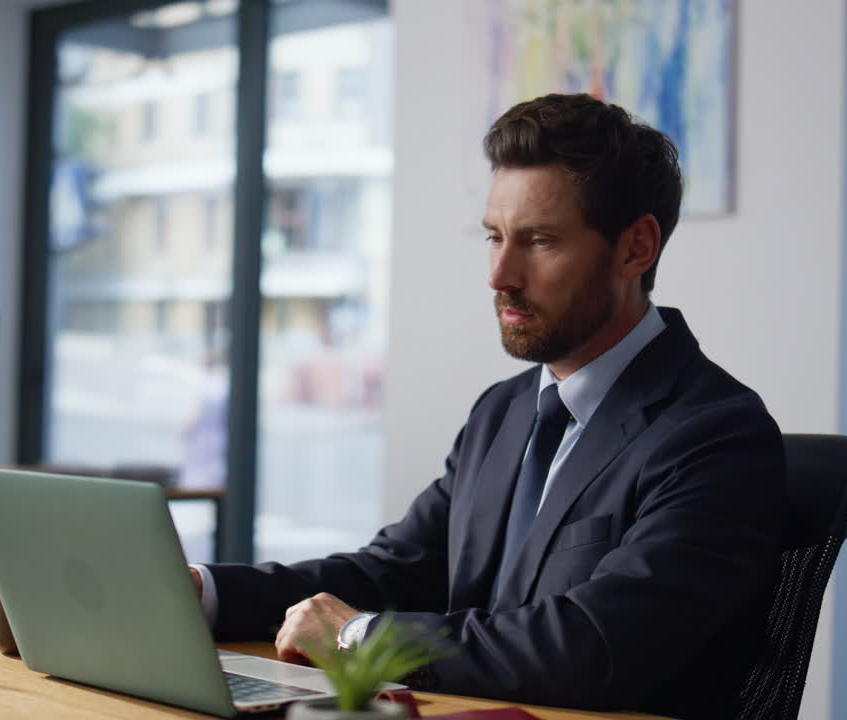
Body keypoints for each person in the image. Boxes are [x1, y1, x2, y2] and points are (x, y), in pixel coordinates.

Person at [189, 94, 784, 720]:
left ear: (636, 248)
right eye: (494, 237)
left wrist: (356, 636)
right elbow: (392, 572)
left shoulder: (716, 434)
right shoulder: (502, 412)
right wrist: (204, 594)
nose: (500, 274)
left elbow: (590, 648)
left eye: (540, 241)